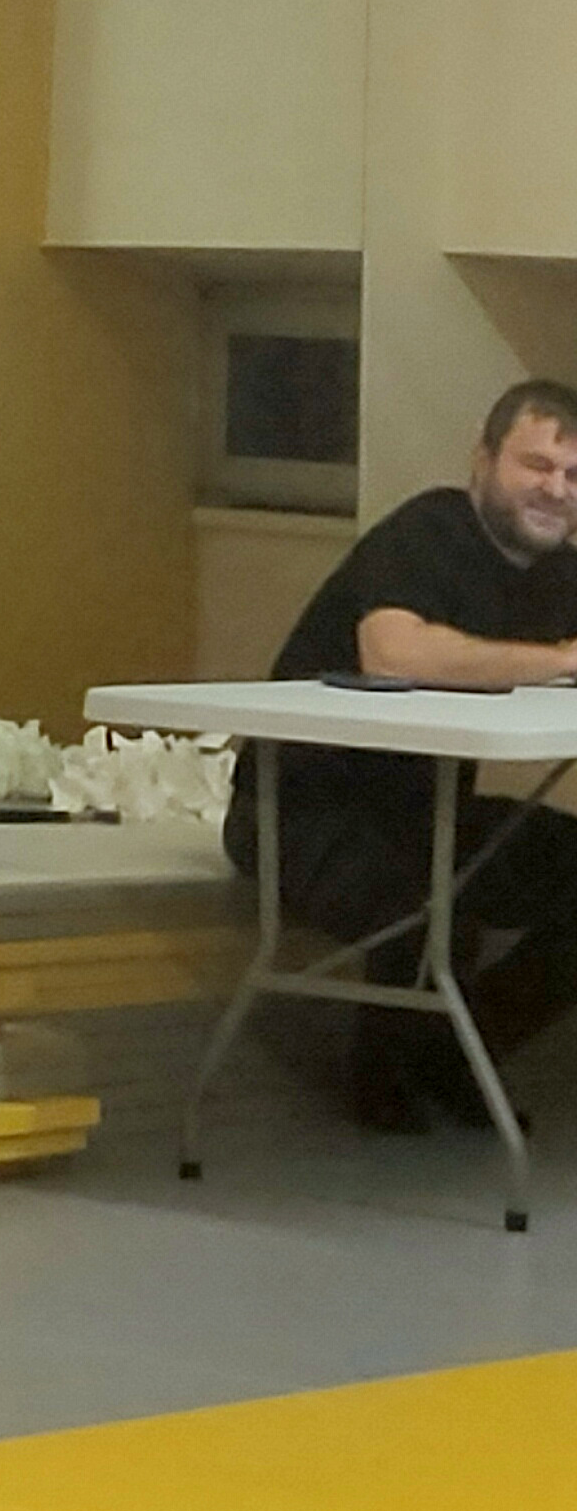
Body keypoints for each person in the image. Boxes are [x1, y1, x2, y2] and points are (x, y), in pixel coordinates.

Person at [230, 376, 577, 1126]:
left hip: (427, 815)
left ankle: (461, 1050)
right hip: (299, 813)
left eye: (574, 475)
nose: (556, 489)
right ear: (483, 460)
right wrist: (557, 660)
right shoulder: (427, 533)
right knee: (428, 904)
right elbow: (393, 653)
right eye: (537, 465)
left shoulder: (559, 572)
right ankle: (388, 1091)